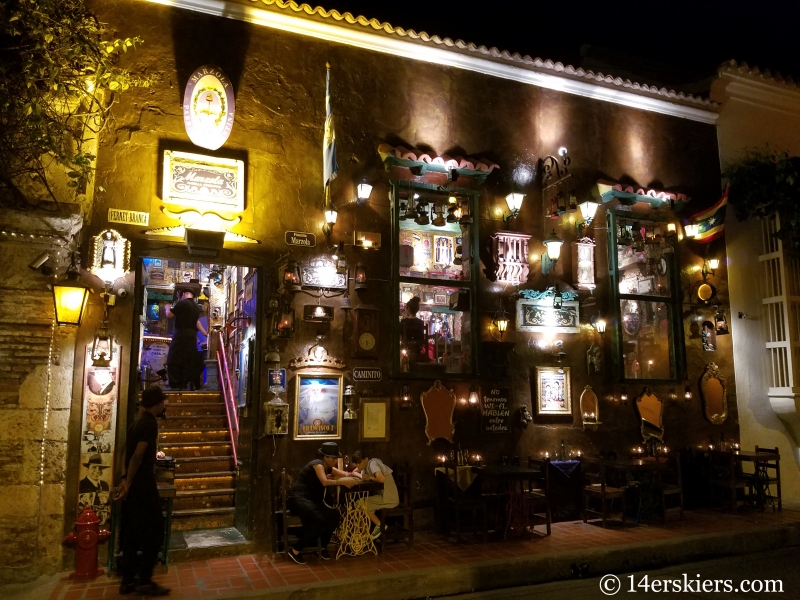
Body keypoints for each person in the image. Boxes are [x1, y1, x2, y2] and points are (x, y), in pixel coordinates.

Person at [114, 387, 170, 597]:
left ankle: (128, 581)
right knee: (155, 531)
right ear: (156, 404)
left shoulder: (136, 421)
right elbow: (137, 455)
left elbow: (124, 451)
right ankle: (145, 580)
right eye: (162, 402)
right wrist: (128, 481)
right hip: (143, 485)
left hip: (132, 485)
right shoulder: (149, 423)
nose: (164, 405)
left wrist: (123, 478)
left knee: (130, 534)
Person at [286, 442, 357, 565]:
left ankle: (322, 547)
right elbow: (324, 482)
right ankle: (295, 550)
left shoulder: (326, 466)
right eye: (333, 458)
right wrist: (341, 482)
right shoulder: (317, 464)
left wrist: (355, 474)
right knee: (318, 520)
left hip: (310, 500)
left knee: (334, 516)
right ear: (325, 457)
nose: (335, 460)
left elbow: (345, 473)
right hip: (298, 499)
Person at [164, 284, 207, 390]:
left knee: (173, 358)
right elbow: (196, 322)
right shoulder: (197, 307)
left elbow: (169, 315)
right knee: (187, 360)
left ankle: (175, 385)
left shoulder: (182, 303)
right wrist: (205, 334)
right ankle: (183, 384)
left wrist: (167, 307)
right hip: (192, 336)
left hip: (181, 334)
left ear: (183, 294)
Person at [351, 450, 399, 539]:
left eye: (359, 463)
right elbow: (354, 471)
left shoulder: (372, 464)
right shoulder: (366, 465)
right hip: (384, 496)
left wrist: (369, 477)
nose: (358, 465)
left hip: (388, 497)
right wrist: (361, 476)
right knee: (362, 505)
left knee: (360, 503)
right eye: (356, 463)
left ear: (366, 459)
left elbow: (381, 479)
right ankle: (365, 534)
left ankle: (378, 526)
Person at [400, 296, 427, 363]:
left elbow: (400, 338)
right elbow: (422, 339)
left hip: (405, 351)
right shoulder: (421, 322)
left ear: (408, 308)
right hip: (418, 352)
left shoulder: (403, 322)